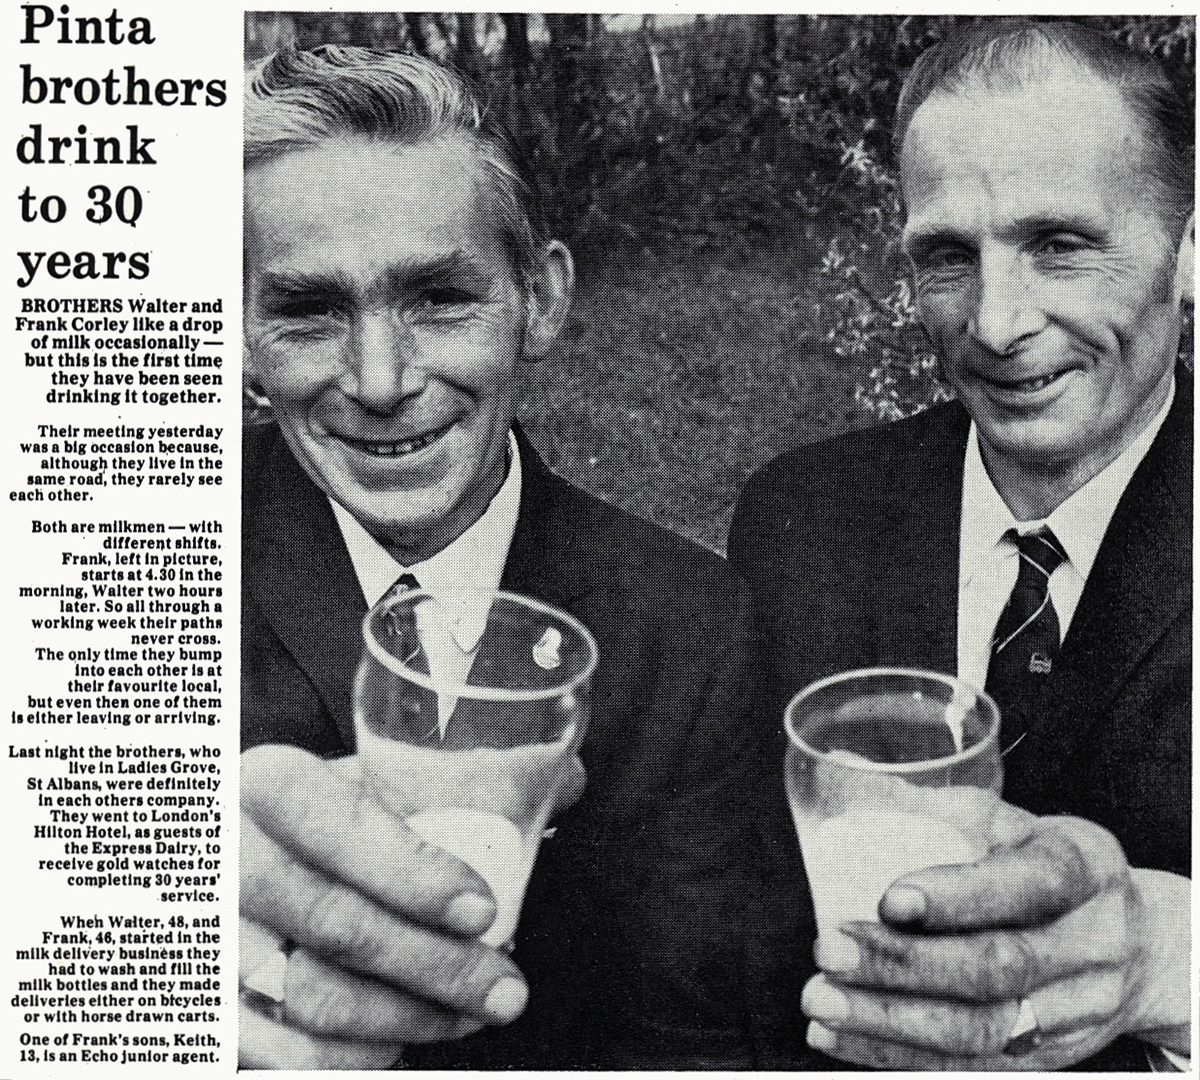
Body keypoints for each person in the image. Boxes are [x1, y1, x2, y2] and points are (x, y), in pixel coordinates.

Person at [238, 45, 760, 1069]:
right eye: (309, 310)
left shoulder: (690, 627)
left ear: (542, 301)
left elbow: (698, 1040)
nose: (380, 382)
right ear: (244, 335)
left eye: (439, 298)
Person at [730, 20, 1192, 1071]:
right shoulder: (796, 519)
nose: (996, 322)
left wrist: (1166, 960)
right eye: (948, 256)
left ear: (1191, 250)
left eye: (1059, 245)